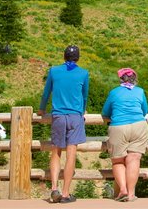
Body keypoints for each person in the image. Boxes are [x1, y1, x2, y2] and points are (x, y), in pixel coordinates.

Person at [39, 45, 90, 204]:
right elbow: (85, 96)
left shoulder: (54, 71)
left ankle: (54, 188)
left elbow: (46, 92)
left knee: (56, 152)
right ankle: (66, 194)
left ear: (64, 56)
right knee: (71, 154)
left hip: (58, 116)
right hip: (75, 116)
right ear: (78, 58)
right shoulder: (83, 73)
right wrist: (82, 111)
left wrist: (41, 109)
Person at [102, 68, 148, 202]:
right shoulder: (140, 91)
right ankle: (131, 194)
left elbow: (105, 112)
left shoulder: (114, 92)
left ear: (121, 79)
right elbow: (144, 110)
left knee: (118, 160)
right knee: (133, 159)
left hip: (118, 126)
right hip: (139, 126)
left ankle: (122, 189)